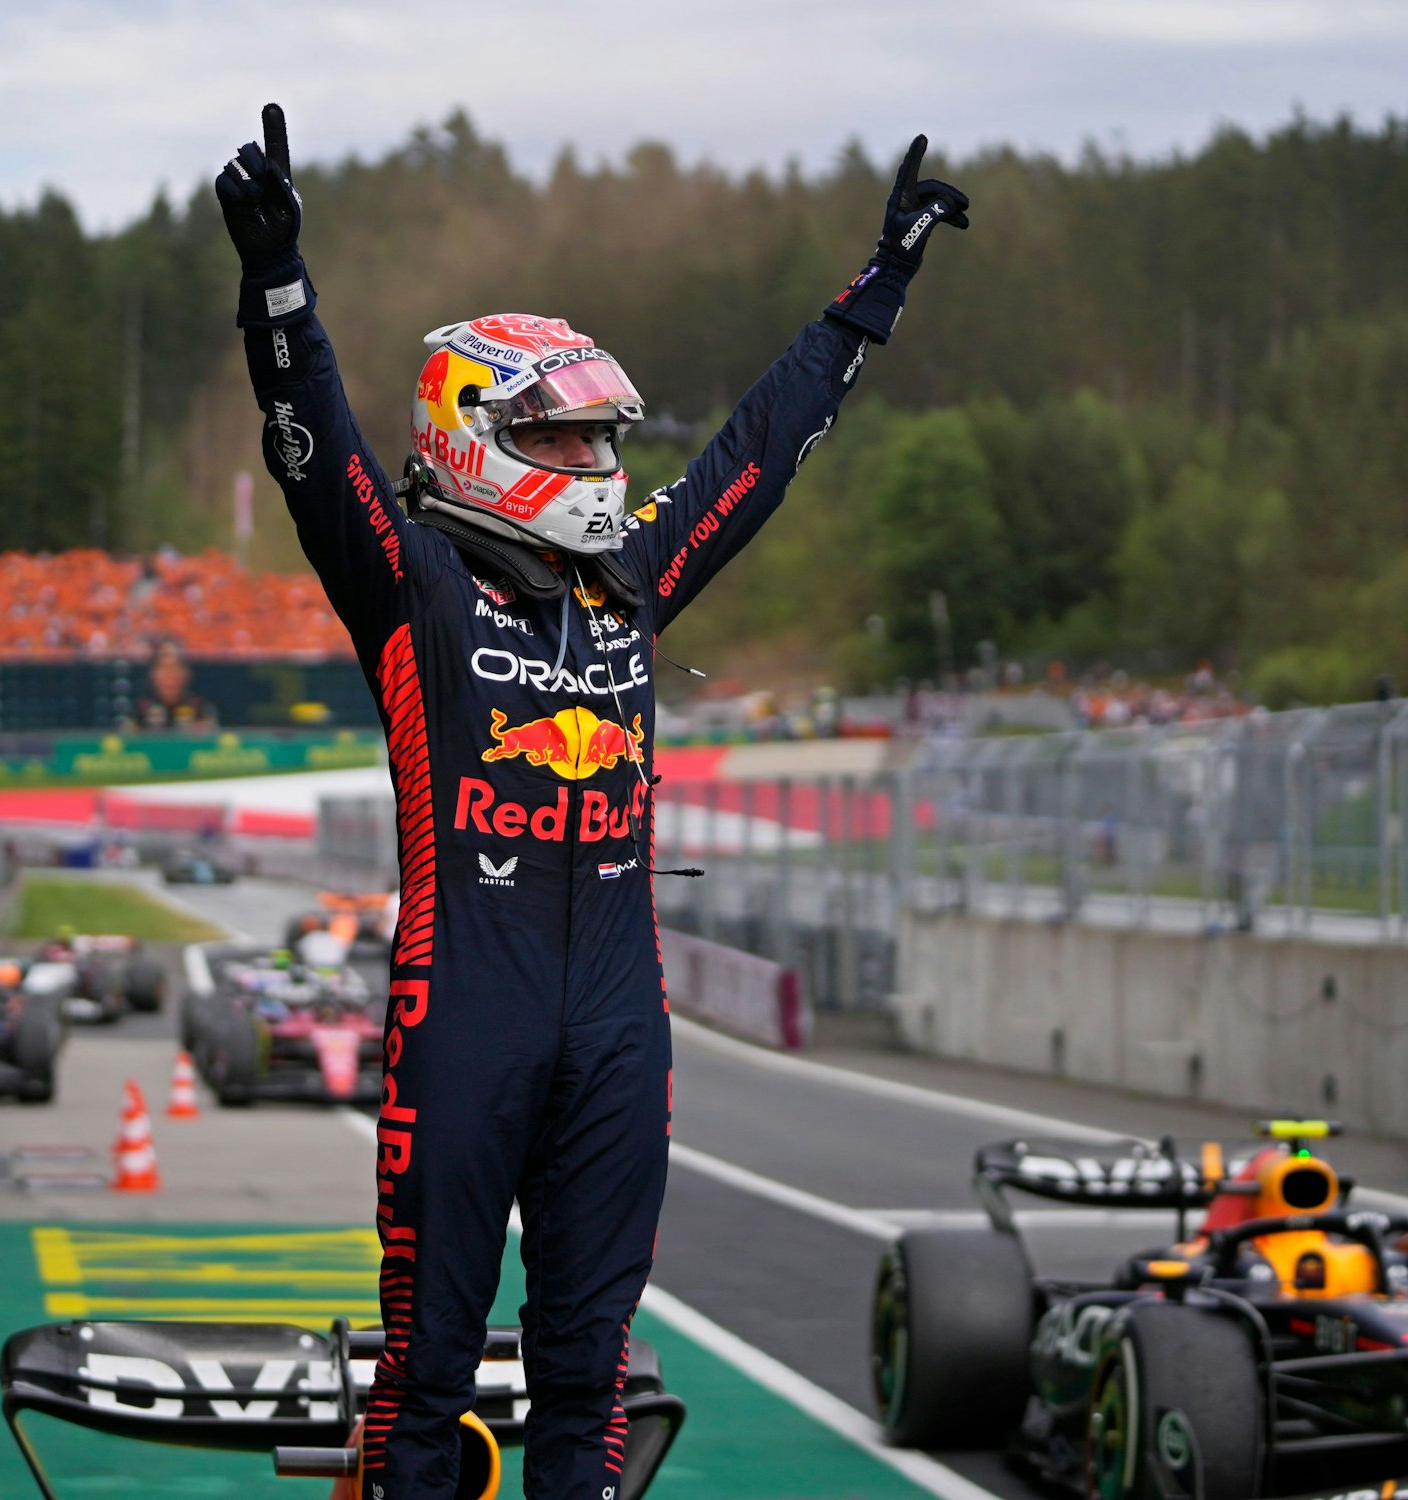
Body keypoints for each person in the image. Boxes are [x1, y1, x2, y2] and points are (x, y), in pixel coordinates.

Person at [216, 105, 967, 1499]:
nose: (596, 471)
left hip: (622, 1021)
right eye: (562, 443)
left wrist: (873, 299)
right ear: (474, 437)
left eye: (602, 440)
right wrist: (278, 287)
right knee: (426, 1380)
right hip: (466, 1012)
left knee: (593, 1376)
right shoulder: (414, 586)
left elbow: (760, 446)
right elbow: (303, 432)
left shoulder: (632, 580)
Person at [128, 640, 217, 732]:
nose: (170, 674)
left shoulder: (200, 707)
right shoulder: (140, 709)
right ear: (153, 674)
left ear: (186, 673)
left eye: (176, 667)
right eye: (164, 668)